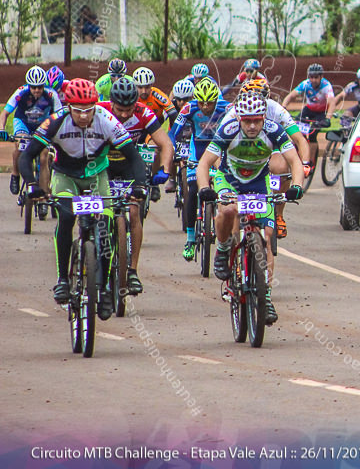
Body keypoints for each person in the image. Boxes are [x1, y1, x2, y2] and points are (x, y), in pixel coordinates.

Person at [20, 78, 147, 319]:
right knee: (66, 217)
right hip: (65, 175)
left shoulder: (106, 119)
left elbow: (134, 156)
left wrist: (139, 186)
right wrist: (33, 184)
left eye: (89, 110)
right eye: (78, 111)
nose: (84, 116)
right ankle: (62, 280)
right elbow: (27, 156)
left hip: (97, 175)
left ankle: (105, 288)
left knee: (107, 224)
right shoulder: (56, 120)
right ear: (68, 107)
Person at [197, 92, 305, 325]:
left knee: (266, 236)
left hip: (259, 183)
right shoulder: (227, 130)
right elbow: (204, 163)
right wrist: (205, 188)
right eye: (247, 120)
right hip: (229, 180)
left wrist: (296, 185)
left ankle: (265, 295)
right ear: (239, 119)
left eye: (257, 119)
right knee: (227, 211)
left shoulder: (274, 130)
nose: (253, 125)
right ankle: (224, 248)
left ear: (264, 116)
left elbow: (295, 160)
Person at [98, 76, 173, 295]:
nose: (123, 114)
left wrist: (165, 170)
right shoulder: (100, 111)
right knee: (102, 211)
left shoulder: (143, 112)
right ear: (111, 103)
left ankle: (132, 270)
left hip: (131, 165)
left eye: (128, 109)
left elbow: (165, 143)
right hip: (105, 166)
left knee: (134, 211)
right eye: (119, 109)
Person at [168, 77, 231, 261]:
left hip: (218, 150)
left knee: (222, 187)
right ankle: (189, 238)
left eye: (209, 103)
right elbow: (174, 133)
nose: (205, 107)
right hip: (197, 150)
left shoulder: (226, 108)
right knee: (193, 190)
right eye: (201, 103)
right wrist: (177, 151)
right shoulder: (189, 108)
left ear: (215, 100)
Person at [254, 75, 312, 238]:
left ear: (268, 98)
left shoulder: (276, 110)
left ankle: (278, 214)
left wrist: (305, 164)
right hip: (246, 150)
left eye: (261, 100)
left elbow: (299, 139)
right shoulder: (236, 111)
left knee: (281, 167)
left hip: (271, 146)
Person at [0, 66, 63, 196]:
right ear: (28, 85)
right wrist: (2, 129)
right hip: (23, 122)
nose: (36, 90)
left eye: (39, 87)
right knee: (20, 145)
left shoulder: (51, 95)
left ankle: (45, 194)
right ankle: (15, 174)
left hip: (42, 126)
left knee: (44, 155)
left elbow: (59, 116)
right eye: (33, 87)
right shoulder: (20, 92)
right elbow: (5, 113)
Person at [281, 63, 334, 177]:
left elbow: (331, 102)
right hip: (308, 110)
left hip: (321, 113)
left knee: (313, 135)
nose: (313, 80)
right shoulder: (306, 84)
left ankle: (310, 162)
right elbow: (291, 96)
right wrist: (283, 108)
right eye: (311, 77)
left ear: (321, 77)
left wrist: (328, 118)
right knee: (298, 133)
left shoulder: (326, 85)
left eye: (316, 77)